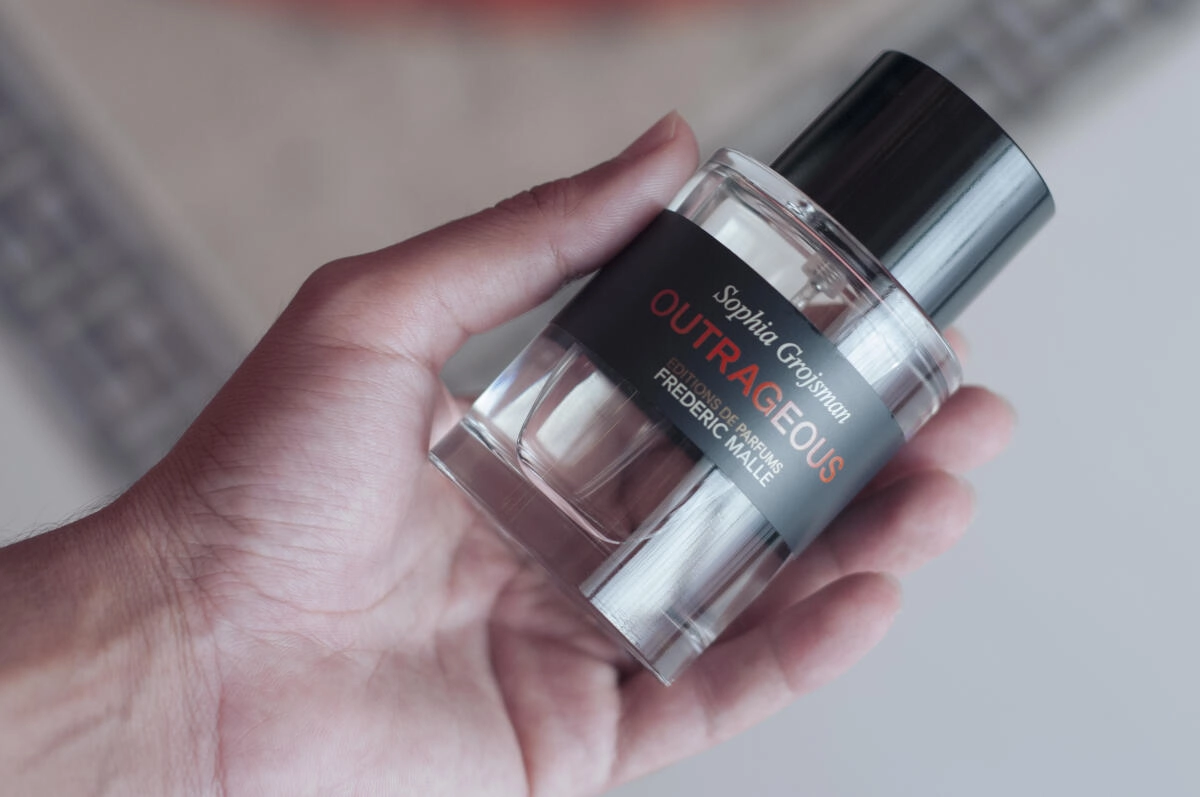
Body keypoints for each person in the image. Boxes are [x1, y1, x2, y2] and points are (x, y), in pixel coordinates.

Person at [0, 113, 1012, 795]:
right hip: (514, 560)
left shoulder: (909, 365)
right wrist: (184, 629)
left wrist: (176, 666)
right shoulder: (744, 198)